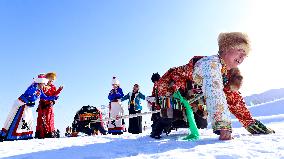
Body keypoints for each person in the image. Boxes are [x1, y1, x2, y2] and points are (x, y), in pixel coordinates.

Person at [155, 32, 274, 140]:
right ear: (226, 48)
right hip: (174, 87)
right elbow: (214, 91)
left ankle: (181, 120)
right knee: (169, 116)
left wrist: (251, 124)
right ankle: (158, 126)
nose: (242, 57)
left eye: (245, 55)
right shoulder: (211, 63)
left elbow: (234, 99)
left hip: (193, 96)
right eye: (240, 51)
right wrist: (223, 126)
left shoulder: (227, 74)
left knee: (201, 123)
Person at [0, 75, 58, 141]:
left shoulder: (40, 91)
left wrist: (53, 97)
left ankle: (24, 135)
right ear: (40, 83)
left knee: (29, 119)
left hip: (28, 106)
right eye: (43, 83)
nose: (44, 85)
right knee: (17, 119)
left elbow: (45, 97)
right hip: (21, 105)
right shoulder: (33, 87)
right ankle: (10, 135)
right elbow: (28, 94)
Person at [35, 72, 63, 139]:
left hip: (49, 105)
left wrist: (59, 90)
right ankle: (40, 134)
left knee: (49, 118)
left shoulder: (53, 87)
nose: (51, 81)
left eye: (53, 80)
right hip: (42, 105)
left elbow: (54, 94)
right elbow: (41, 95)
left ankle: (49, 133)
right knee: (40, 119)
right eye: (50, 79)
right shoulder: (43, 86)